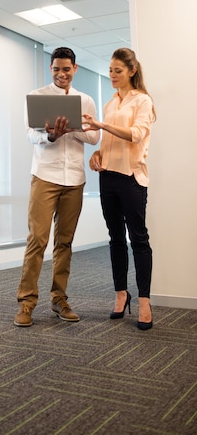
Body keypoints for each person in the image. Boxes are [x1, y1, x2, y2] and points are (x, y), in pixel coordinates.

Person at [14, 47, 100, 327]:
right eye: (56, 69)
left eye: (66, 69)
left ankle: (59, 299)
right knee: (37, 240)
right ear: (50, 69)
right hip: (45, 176)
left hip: (74, 179)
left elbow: (96, 136)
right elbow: (29, 134)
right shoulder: (37, 97)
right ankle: (26, 303)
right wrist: (50, 136)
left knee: (64, 242)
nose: (61, 74)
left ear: (75, 68)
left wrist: (73, 128)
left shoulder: (85, 100)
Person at [83, 48, 156, 331]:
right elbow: (109, 141)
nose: (112, 76)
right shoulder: (111, 102)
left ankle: (145, 301)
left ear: (132, 71)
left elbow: (136, 135)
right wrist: (97, 154)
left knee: (138, 239)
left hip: (132, 177)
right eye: (110, 71)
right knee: (115, 238)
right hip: (108, 178)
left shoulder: (143, 101)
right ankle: (120, 294)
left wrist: (102, 125)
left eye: (118, 71)